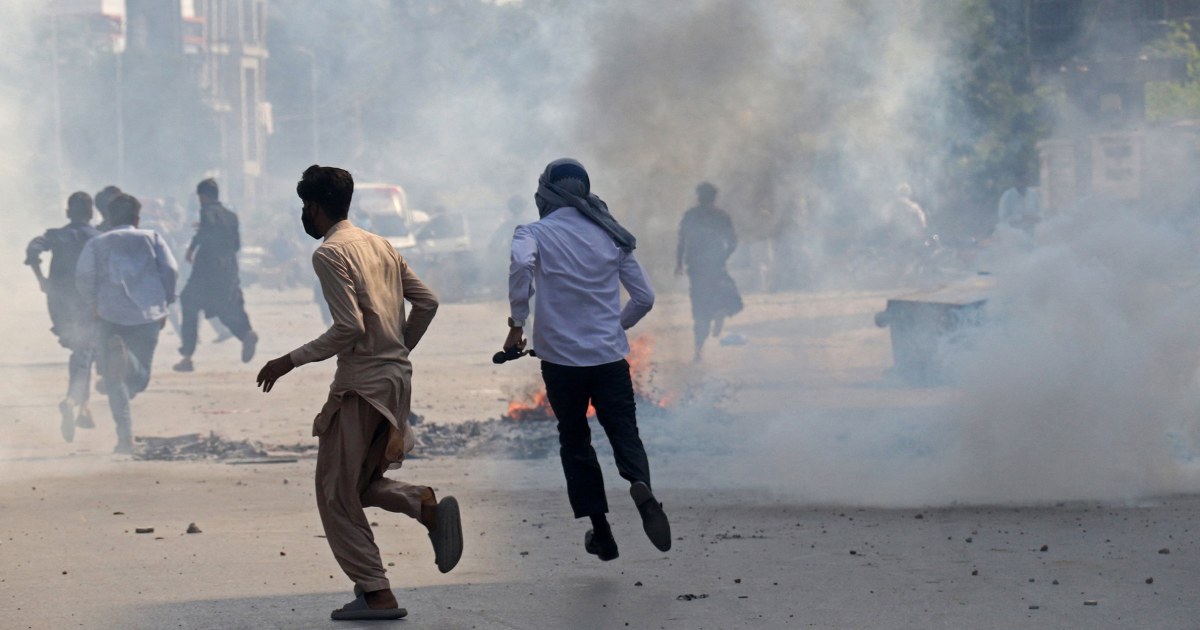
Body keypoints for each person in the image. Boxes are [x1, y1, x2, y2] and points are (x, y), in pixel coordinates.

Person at [255, 165, 463, 621]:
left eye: (304, 208)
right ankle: (423, 507)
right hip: (394, 382)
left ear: (314, 207)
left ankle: (376, 592)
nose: (304, 217)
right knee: (360, 483)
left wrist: (287, 361)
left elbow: (349, 328)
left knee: (335, 492)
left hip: (360, 388)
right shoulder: (381, 245)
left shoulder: (330, 254)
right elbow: (427, 302)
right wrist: (397, 348)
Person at [504, 158, 670, 562]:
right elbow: (644, 298)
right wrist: (615, 326)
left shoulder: (534, 233)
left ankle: (602, 533)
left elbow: (522, 263)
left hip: (561, 363)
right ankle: (639, 483)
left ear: (545, 194)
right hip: (609, 357)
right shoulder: (610, 234)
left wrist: (517, 322)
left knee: (575, 439)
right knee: (624, 433)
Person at [76, 193, 178, 454]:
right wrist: (165, 300)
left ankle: (125, 438)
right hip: (148, 315)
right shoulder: (152, 238)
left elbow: (84, 275)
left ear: (108, 219)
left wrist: (92, 303)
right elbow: (171, 270)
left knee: (114, 380)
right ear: (137, 218)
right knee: (140, 378)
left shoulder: (97, 243)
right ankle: (128, 360)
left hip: (109, 316)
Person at [25, 191, 101, 442]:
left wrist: (41, 279)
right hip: (87, 304)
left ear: (68, 213)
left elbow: (32, 248)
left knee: (82, 351)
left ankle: (84, 407)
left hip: (58, 304)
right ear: (91, 214)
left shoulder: (56, 236)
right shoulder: (97, 238)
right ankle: (72, 400)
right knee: (85, 352)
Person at [173, 178, 257, 372]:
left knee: (188, 301)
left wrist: (192, 248)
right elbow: (236, 245)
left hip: (206, 269)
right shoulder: (232, 216)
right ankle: (246, 334)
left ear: (202, 197)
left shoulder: (206, 212)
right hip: (228, 268)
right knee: (226, 306)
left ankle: (187, 355)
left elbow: (207, 232)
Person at [675, 182, 743, 362]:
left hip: (696, 267)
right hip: (716, 264)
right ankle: (720, 310)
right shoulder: (722, 216)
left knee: (699, 306)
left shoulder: (691, 215)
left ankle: (698, 350)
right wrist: (723, 257)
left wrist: (679, 264)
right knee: (727, 292)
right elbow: (733, 241)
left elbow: (682, 241)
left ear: (699, 196)